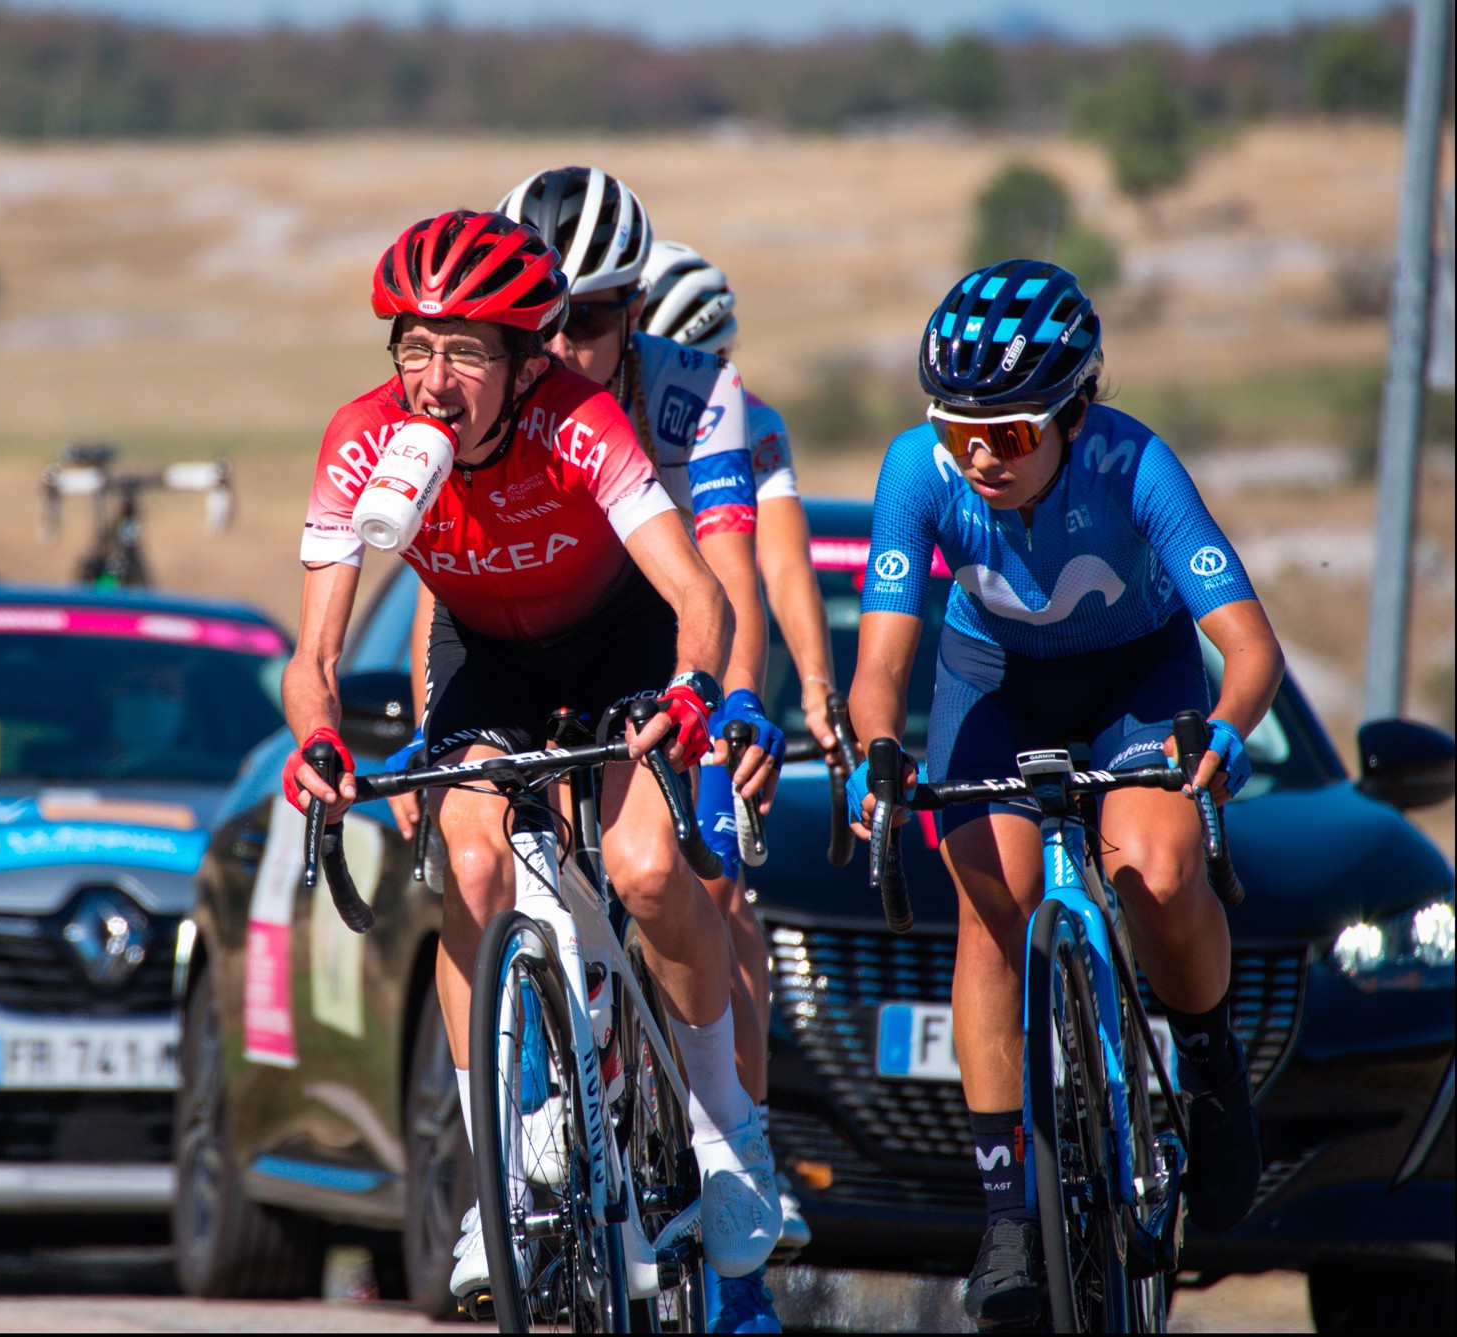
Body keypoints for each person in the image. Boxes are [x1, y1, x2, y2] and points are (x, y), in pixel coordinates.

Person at [282, 209, 782, 1310]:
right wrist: (313, 738)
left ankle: (725, 1132)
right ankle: (493, 1182)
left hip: (617, 638)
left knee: (650, 869)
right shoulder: (364, 440)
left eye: (463, 352)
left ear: (522, 359)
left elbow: (697, 593)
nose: (431, 380)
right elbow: (312, 656)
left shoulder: (579, 420)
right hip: (483, 655)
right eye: (412, 347)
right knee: (467, 865)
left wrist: (697, 687)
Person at [846, 259, 1279, 1330]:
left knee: (1156, 864)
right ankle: (1003, 1212)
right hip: (989, 682)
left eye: (1013, 433)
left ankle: (1208, 1057)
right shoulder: (915, 472)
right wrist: (872, 749)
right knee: (988, 912)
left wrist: (1224, 727)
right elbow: (882, 662)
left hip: (1136, 679)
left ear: (1075, 414)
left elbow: (1249, 647)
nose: (981, 456)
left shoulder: (1133, 463)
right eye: (960, 430)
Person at [496, 167, 788, 1333]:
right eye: (544, 317)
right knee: (501, 867)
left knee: (690, 873)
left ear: (635, 316)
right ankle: (534, 1122)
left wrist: (740, 709)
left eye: (596, 318)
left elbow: (730, 577)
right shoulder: (498, 401)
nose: (566, 343)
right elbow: (446, 590)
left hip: (674, 651)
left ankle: (730, 1165)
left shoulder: (691, 394)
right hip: (548, 654)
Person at [639, 236, 843, 1268]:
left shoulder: (741, 419)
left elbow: (769, 575)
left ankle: (742, 1144)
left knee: (719, 897)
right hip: (615, 660)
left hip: (706, 662)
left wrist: (788, 695)